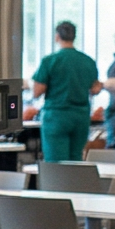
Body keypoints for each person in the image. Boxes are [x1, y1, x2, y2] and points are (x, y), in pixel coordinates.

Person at [27, 21, 98, 162]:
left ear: (57, 36)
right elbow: (95, 89)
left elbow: (37, 92)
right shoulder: (88, 61)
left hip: (57, 117)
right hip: (81, 117)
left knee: (55, 162)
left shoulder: (50, 61)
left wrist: (29, 84)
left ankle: (55, 185)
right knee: (75, 160)